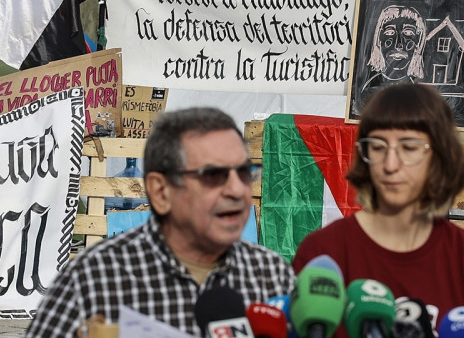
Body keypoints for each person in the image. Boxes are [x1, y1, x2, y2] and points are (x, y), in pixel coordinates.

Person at [26, 107, 295, 337]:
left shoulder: (271, 274)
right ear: (161, 191)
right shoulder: (92, 277)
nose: (237, 190)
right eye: (215, 174)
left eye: (244, 172)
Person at [293, 83, 464, 334]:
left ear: (440, 157)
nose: (390, 165)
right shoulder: (321, 253)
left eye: (409, 147)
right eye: (378, 147)